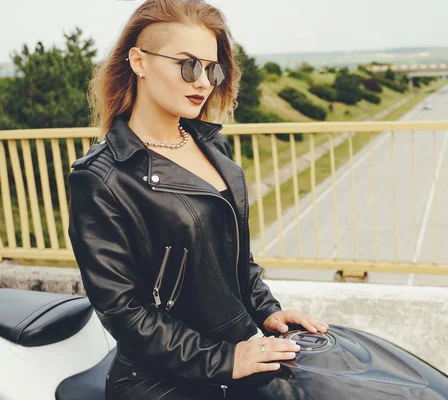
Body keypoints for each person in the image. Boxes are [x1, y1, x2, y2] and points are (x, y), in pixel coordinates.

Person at [67, 1, 328, 398]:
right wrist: (224, 361)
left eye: (212, 68)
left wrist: (267, 311)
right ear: (139, 61)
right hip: (159, 379)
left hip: (236, 351)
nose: (203, 82)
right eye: (188, 65)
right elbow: (123, 310)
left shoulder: (211, 144)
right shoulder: (101, 177)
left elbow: (233, 257)